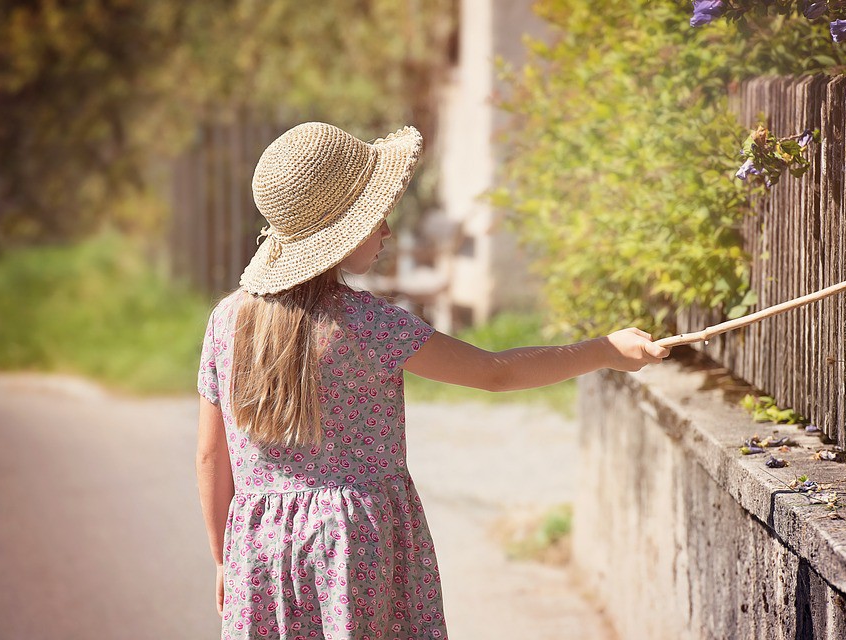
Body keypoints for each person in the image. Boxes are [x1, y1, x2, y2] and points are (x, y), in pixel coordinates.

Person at [195, 122, 670, 640]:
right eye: (376, 217)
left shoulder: (227, 321)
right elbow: (496, 372)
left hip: (256, 545)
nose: (387, 231)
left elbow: (210, 455)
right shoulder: (371, 325)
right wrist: (603, 350)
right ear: (341, 233)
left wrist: (224, 557)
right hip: (354, 546)